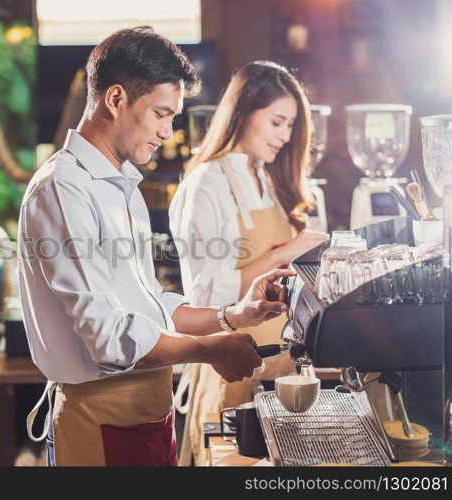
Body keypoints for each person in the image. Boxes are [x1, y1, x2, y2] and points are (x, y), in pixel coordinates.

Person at [18, 28, 294, 466]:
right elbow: (110, 340)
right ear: (115, 99)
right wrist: (210, 349)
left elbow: (148, 309)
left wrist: (231, 314)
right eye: (161, 114)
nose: (168, 132)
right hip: (101, 422)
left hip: (147, 415)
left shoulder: (121, 183)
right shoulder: (63, 190)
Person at [169, 60, 329, 465]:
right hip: (232, 374)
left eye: (291, 125)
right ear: (243, 112)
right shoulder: (206, 184)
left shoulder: (271, 179)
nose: (285, 136)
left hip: (283, 373)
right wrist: (281, 253)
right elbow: (203, 294)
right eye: (277, 121)